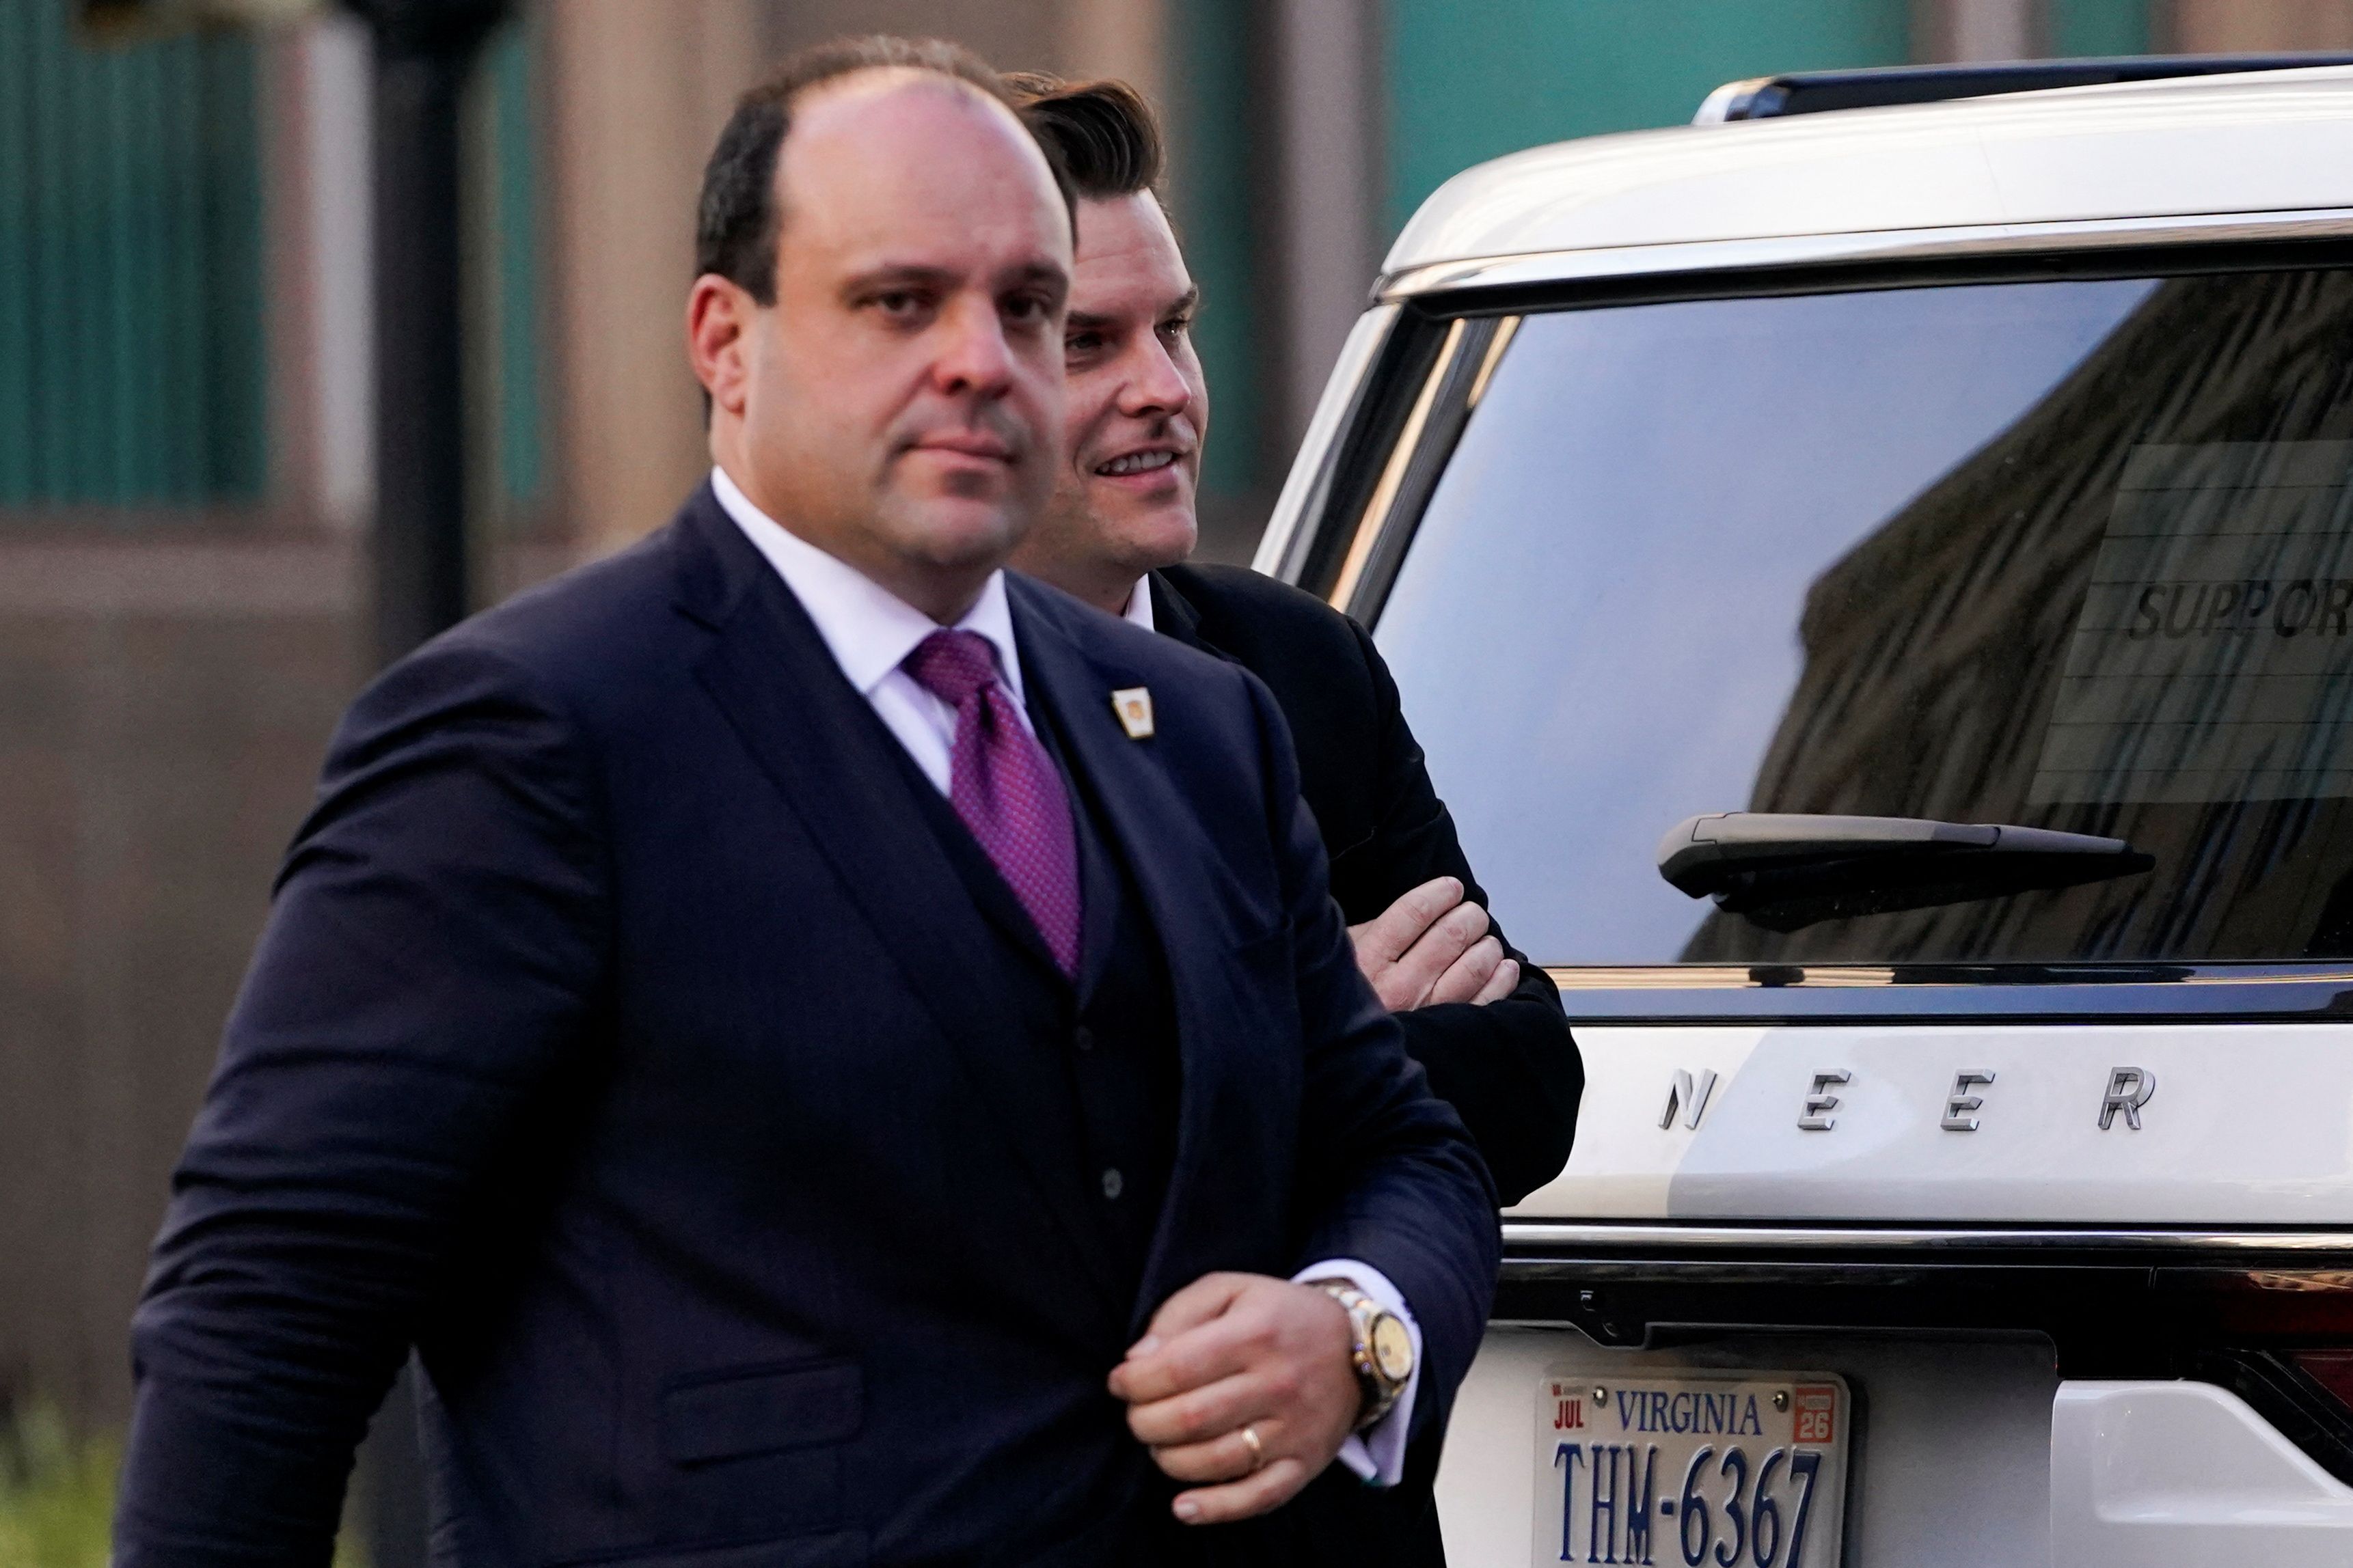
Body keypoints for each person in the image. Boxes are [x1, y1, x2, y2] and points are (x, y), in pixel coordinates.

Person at [113, 38, 1497, 1568]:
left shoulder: (1202, 727)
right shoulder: (530, 735)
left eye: (1027, 307)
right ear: (727, 339)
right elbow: (267, 1319)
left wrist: (1352, 1330)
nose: (981, 357)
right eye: (900, 302)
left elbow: (1407, 1148)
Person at [1005, 74, 1584, 1565]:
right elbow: (1000, 1150)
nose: (1166, 388)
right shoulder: (884, 722)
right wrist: (1312, 1008)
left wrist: (1284, 1067)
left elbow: (1528, 1080)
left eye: (1177, 328)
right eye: (1091, 343)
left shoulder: (1299, 664)